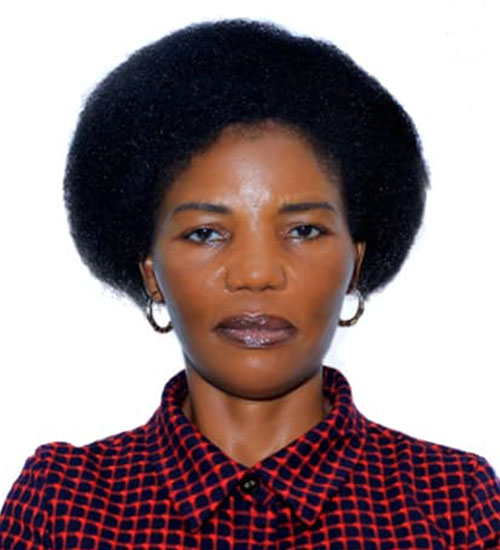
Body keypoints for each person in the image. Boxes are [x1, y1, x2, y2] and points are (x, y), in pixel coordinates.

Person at [1, 18, 499, 549]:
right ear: (151, 272)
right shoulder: (63, 507)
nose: (256, 274)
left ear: (355, 263)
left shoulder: (453, 506)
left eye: (304, 230)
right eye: (206, 233)